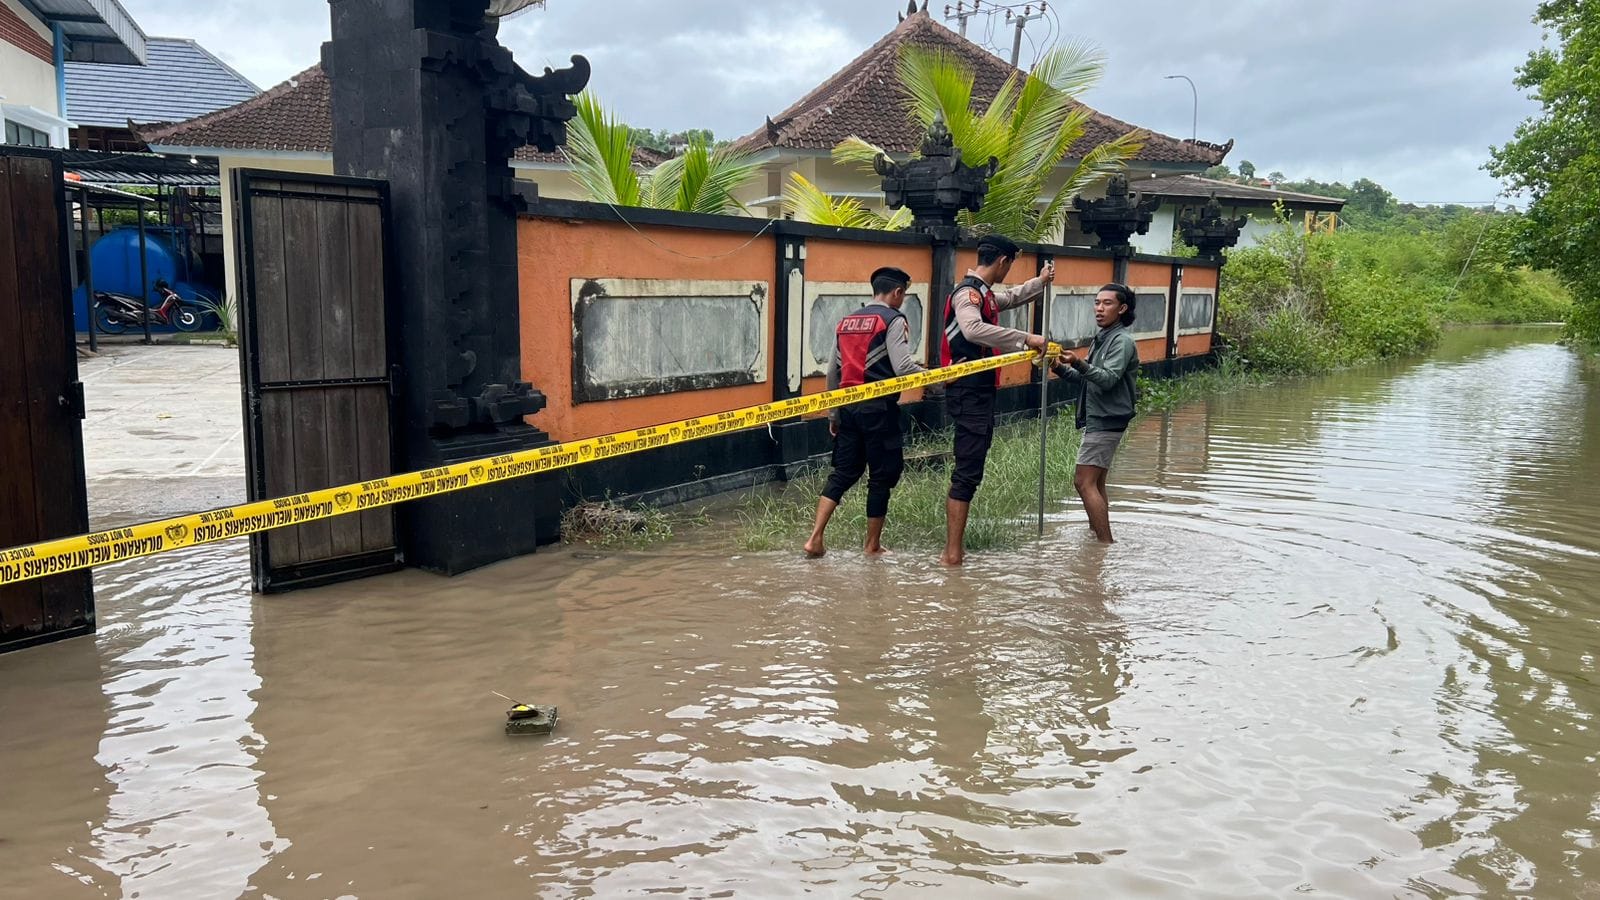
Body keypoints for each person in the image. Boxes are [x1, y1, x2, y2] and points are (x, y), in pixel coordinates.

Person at [939, 235, 1055, 566]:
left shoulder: (985, 294)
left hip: (979, 391)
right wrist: (1025, 338)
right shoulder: (968, 294)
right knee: (967, 469)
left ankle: (953, 553)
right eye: (1011, 265)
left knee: (971, 467)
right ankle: (952, 556)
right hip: (967, 390)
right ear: (1003, 261)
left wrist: (1040, 282)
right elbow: (973, 330)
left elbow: (1010, 298)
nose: (1009, 271)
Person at [804, 266, 927, 557]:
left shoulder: (846, 321)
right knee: (881, 476)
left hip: (848, 410)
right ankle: (872, 545)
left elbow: (832, 372)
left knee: (843, 472)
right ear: (897, 292)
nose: (903, 299)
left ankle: (815, 538)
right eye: (904, 294)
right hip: (879, 411)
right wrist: (937, 377)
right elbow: (903, 367)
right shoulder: (893, 320)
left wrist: (834, 413)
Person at [1053, 283, 1140, 543]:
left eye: (1107, 303)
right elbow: (1087, 380)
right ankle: (1097, 538)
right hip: (1101, 417)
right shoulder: (1102, 339)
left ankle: (1104, 543)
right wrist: (1057, 367)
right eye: (1097, 302)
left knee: (1083, 482)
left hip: (1106, 419)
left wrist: (1079, 362)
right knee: (1096, 483)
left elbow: (1108, 379)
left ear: (1122, 309)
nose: (1099, 309)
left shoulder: (1121, 341)